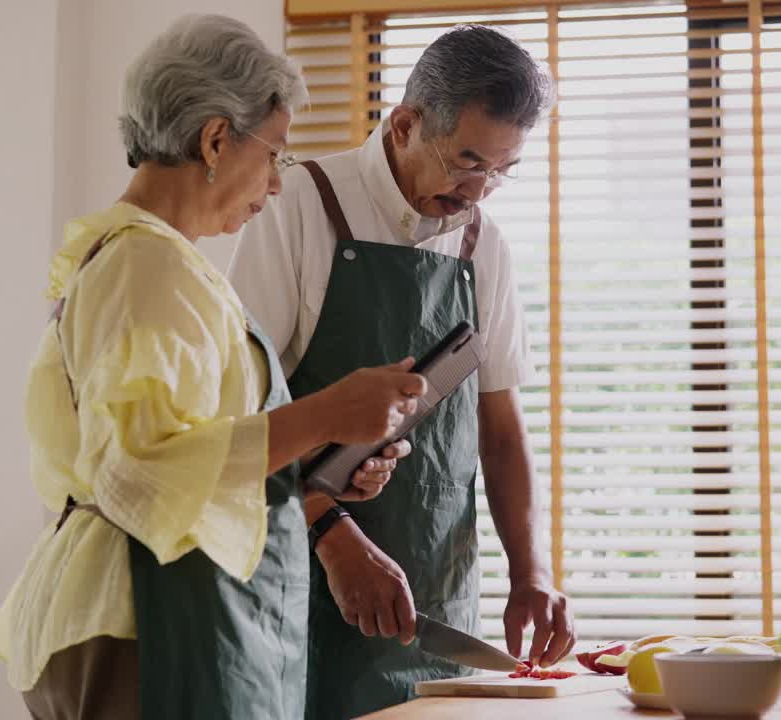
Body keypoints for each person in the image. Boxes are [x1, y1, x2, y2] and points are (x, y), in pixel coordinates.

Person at [0, 15, 426, 720]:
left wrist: (322, 461)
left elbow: (191, 448)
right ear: (216, 139)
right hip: (144, 621)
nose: (277, 185)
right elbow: (140, 473)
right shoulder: (144, 264)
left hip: (162, 615)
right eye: (275, 154)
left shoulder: (159, 262)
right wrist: (325, 412)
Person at [228, 23, 575, 720]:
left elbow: (500, 429)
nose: (479, 189)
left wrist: (530, 571)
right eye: (466, 160)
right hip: (301, 583)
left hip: (436, 596)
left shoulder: (486, 246)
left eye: (503, 169)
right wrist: (331, 534)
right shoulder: (298, 205)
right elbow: (241, 419)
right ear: (407, 123)